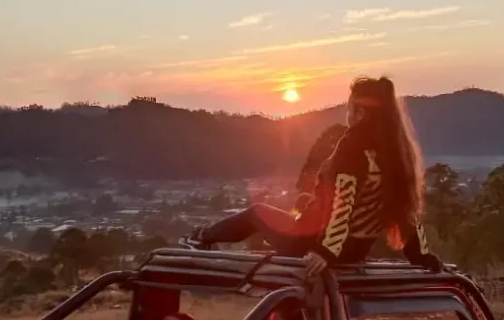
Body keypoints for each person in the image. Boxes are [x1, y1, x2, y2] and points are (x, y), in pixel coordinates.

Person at [180, 76, 442, 276]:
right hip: (357, 250)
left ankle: (201, 237)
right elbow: (406, 210)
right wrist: (421, 256)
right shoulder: (395, 155)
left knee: (256, 212)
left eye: (349, 109)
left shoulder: (353, 146)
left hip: (313, 243)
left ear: (360, 113)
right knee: (302, 202)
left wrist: (326, 250)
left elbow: (344, 199)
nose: (347, 115)